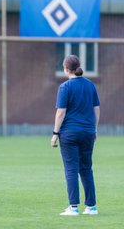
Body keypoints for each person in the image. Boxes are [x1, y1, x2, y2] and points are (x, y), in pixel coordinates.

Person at [51, 55, 100, 216]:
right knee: (86, 168)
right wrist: (95, 129)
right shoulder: (90, 85)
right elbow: (96, 109)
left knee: (71, 169)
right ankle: (91, 207)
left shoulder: (65, 87)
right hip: (87, 132)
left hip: (69, 133)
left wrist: (55, 133)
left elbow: (61, 112)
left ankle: (73, 207)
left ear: (66, 69)